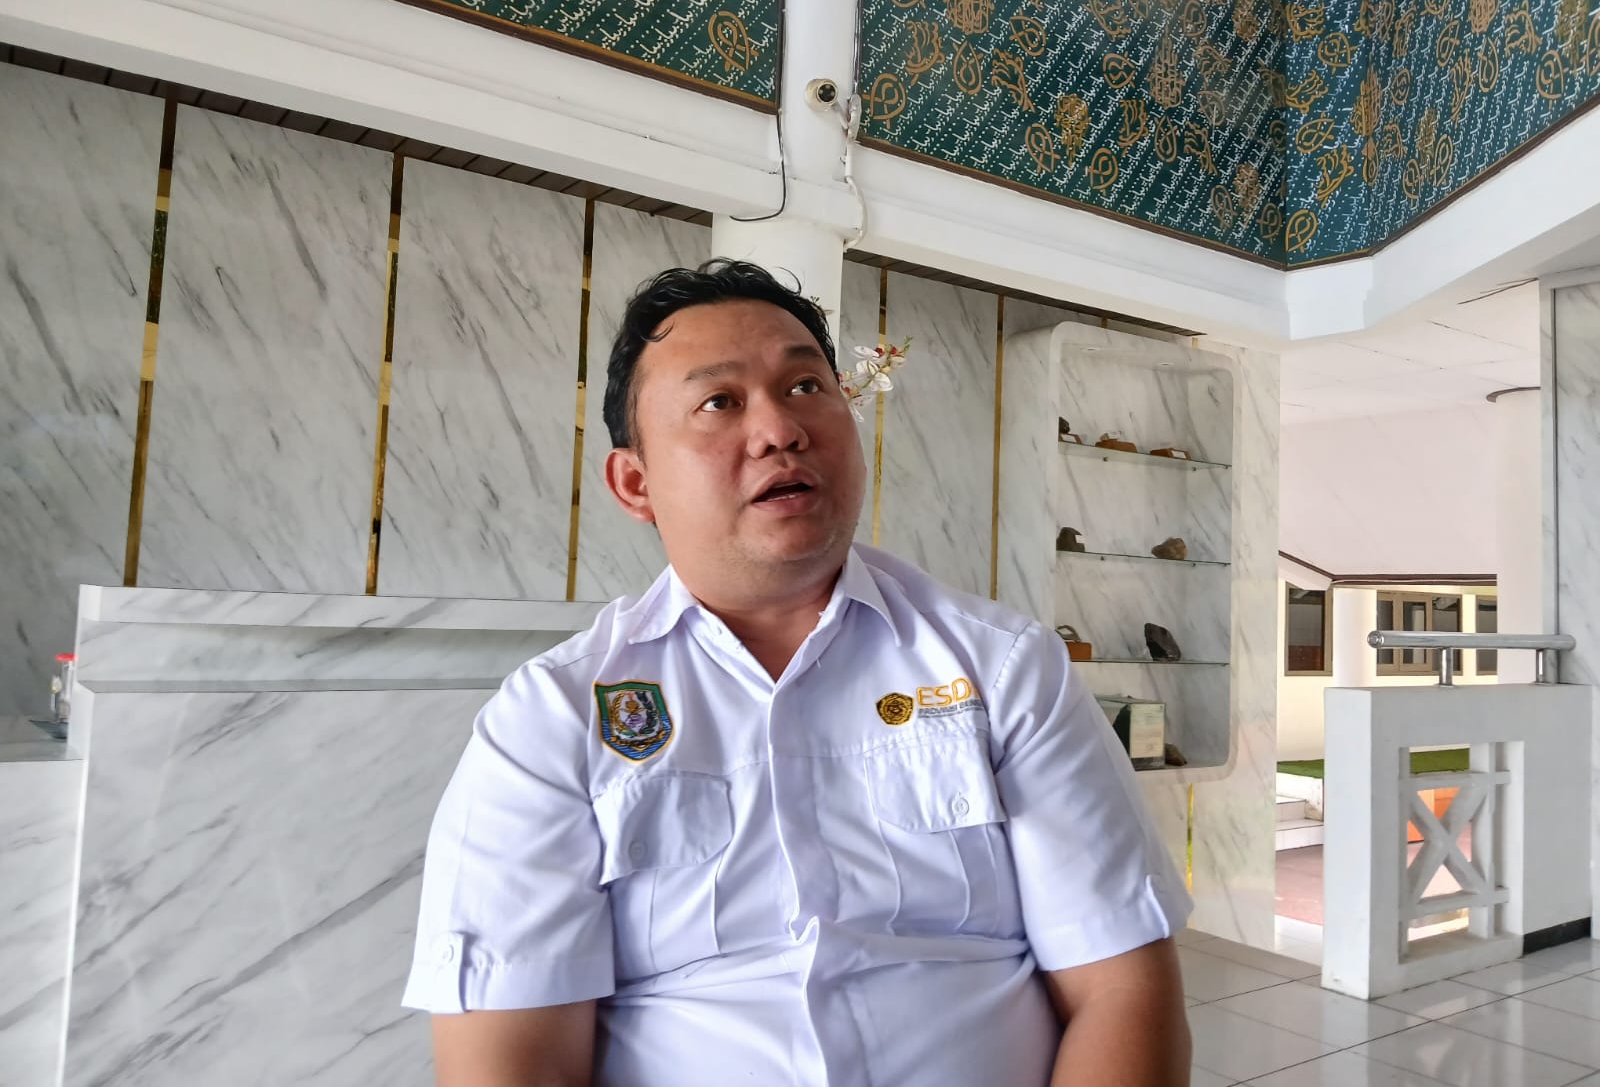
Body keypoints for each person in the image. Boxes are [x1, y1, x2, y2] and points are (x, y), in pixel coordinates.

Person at [402, 259, 1193, 1086]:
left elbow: (1122, 990)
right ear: (635, 483)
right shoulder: (554, 716)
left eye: (807, 386)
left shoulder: (1003, 668)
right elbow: (512, 1060)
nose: (780, 429)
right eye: (719, 402)